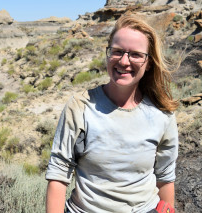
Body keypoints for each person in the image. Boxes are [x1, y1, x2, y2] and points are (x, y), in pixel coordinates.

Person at [45, 15, 179, 213]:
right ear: (108, 54)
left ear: (149, 62)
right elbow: (58, 174)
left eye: (135, 54)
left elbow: (165, 178)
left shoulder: (162, 113)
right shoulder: (81, 107)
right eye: (117, 52)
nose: (124, 61)